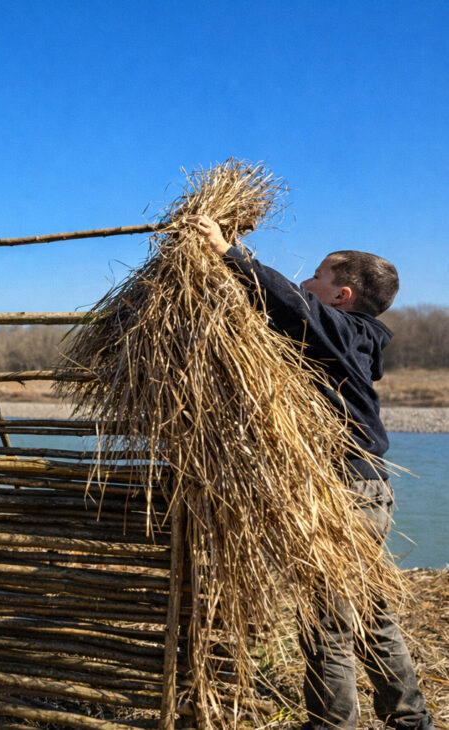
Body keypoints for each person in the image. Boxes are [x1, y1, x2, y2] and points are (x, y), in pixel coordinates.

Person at [187, 214, 433, 730]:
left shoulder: (342, 332)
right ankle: (411, 720)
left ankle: (332, 725)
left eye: (318, 276)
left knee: (328, 623)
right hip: (363, 488)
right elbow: (282, 319)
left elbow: (293, 306)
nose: (306, 281)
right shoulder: (344, 341)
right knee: (371, 612)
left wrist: (231, 254)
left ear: (341, 295)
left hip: (346, 492)